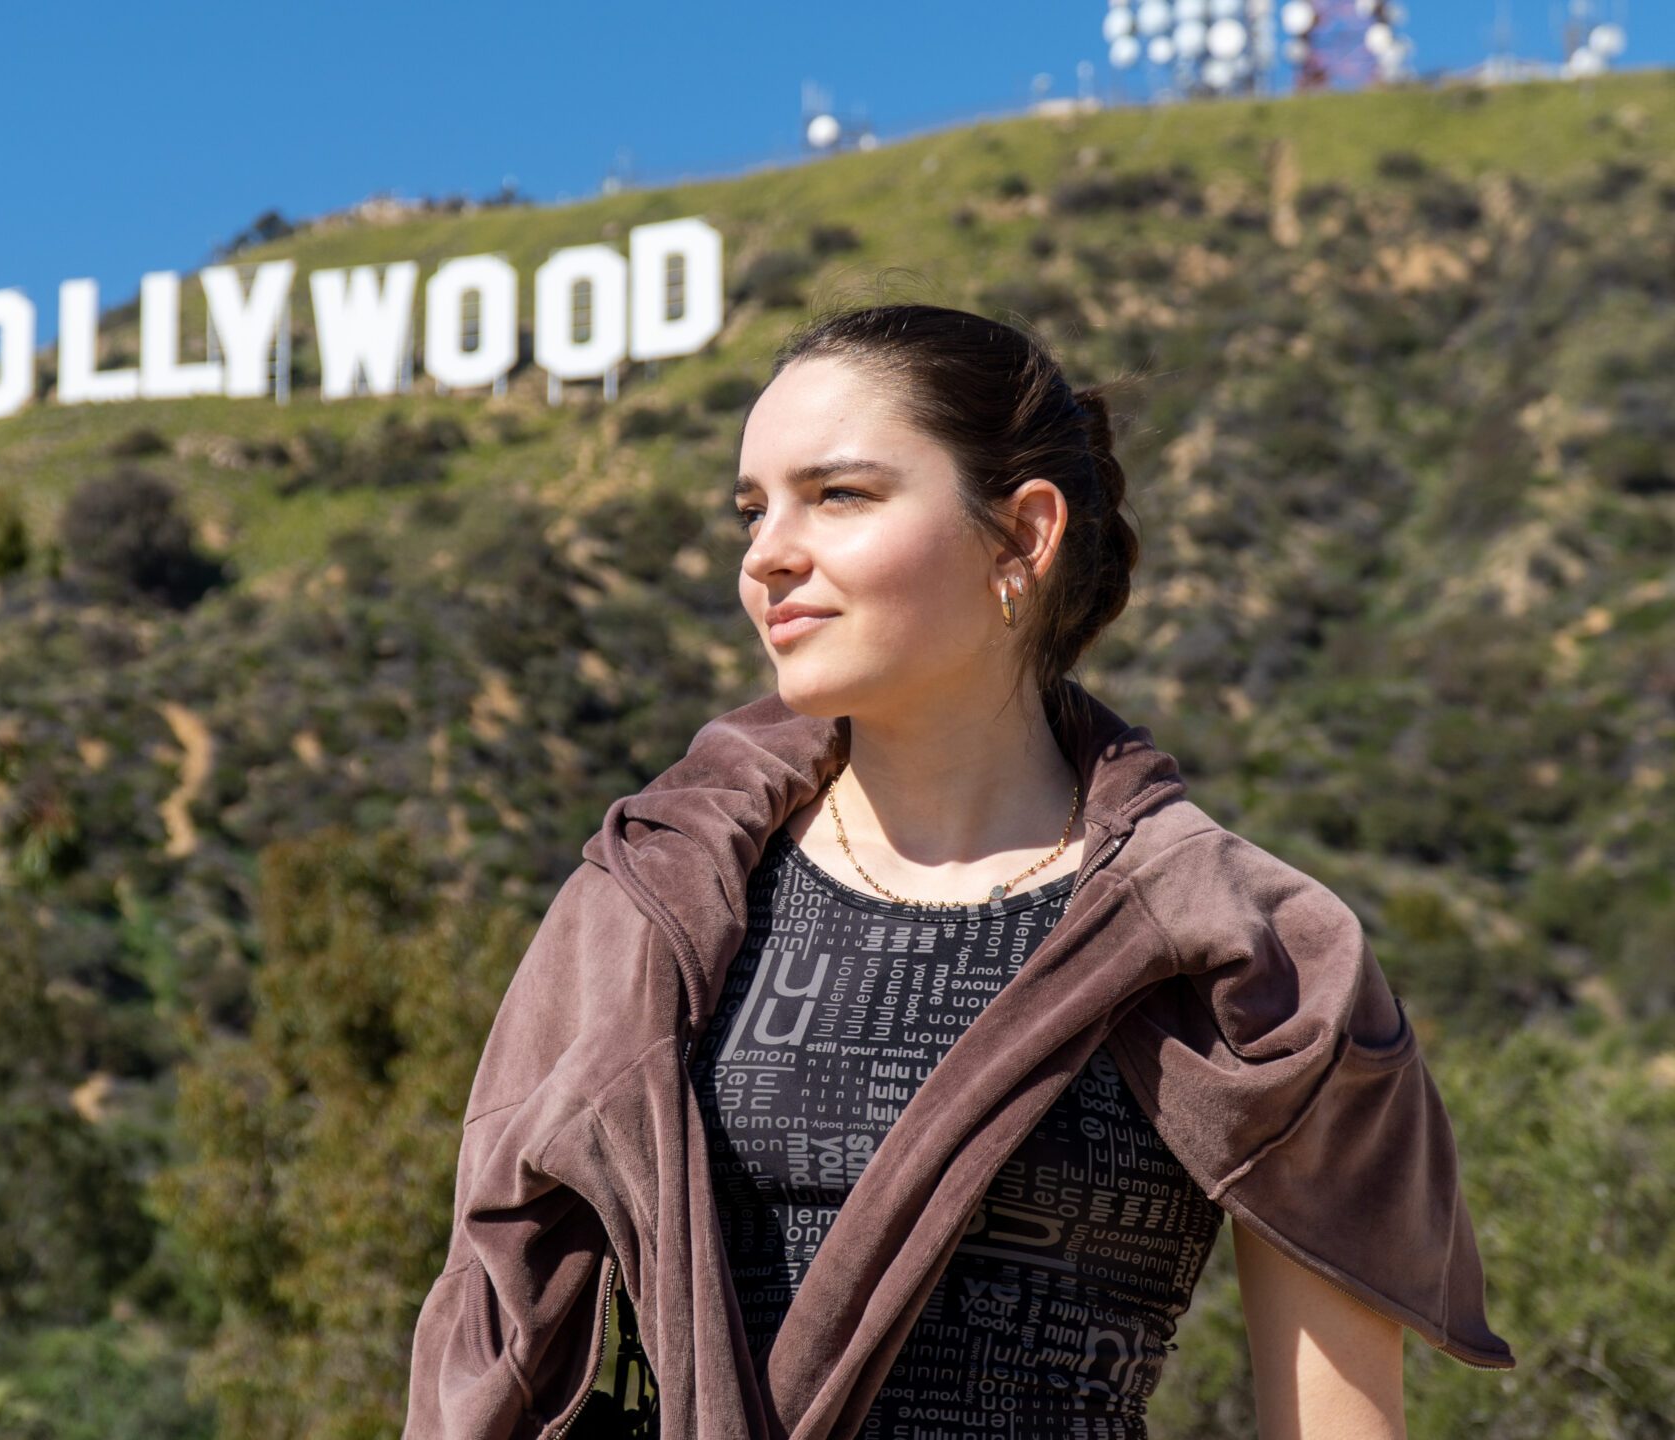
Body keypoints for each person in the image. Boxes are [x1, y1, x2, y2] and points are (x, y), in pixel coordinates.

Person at [401, 303, 1514, 1440]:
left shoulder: (1255, 955)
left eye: (839, 495)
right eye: (752, 509)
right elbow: (488, 1360)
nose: (766, 553)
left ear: (1022, 536)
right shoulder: (652, 902)